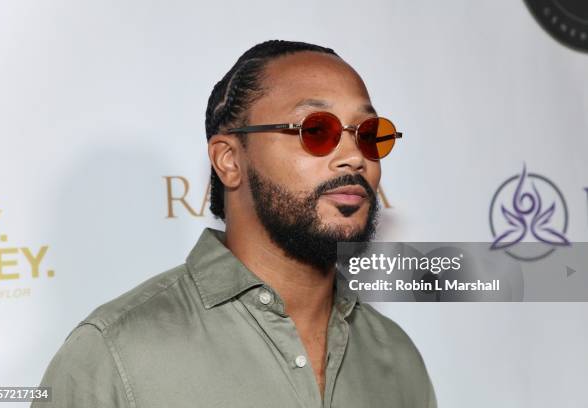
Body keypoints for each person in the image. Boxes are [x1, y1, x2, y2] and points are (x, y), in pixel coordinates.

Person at [33, 40, 437, 408]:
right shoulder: (114, 354)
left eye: (369, 134)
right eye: (316, 130)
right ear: (229, 160)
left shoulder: (397, 358)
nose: (354, 156)